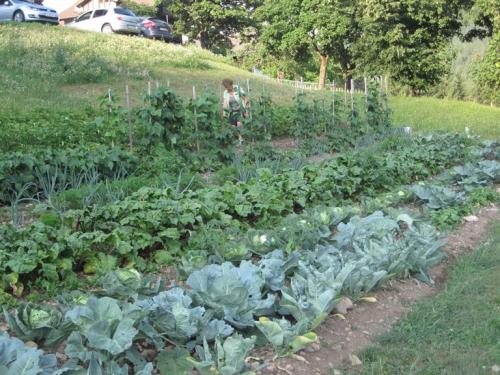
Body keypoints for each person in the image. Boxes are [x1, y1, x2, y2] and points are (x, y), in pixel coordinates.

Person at [222, 78, 249, 145]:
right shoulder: (225, 92)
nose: (227, 88)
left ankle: (241, 139)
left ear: (231, 84)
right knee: (233, 127)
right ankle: (240, 138)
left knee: (239, 124)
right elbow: (225, 103)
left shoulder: (237, 88)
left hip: (240, 110)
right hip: (232, 111)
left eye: (228, 87)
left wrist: (246, 110)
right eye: (226, 87)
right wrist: (224, 113)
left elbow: (245, 99)